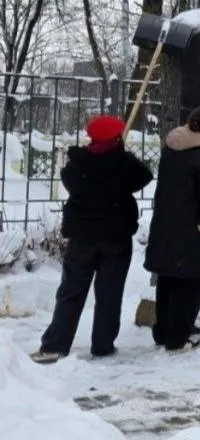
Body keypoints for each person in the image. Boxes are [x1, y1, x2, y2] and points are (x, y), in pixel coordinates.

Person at [29, 115, 153, 364]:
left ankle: (55, 345)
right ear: (117, 139)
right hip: (115, 239)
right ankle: (103, 344)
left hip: (82, 238)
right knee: (110, 293)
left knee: (71, 291)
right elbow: (144, 176)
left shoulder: (77, 164)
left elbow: (69, 180)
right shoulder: (124, 164)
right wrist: (123, 155)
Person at [144, 106, 200, 351]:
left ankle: (162, 331)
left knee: (168, 279)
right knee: (191, 285)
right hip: (194, 233)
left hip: (166, 225)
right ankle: (177, 338)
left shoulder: (171, 146)